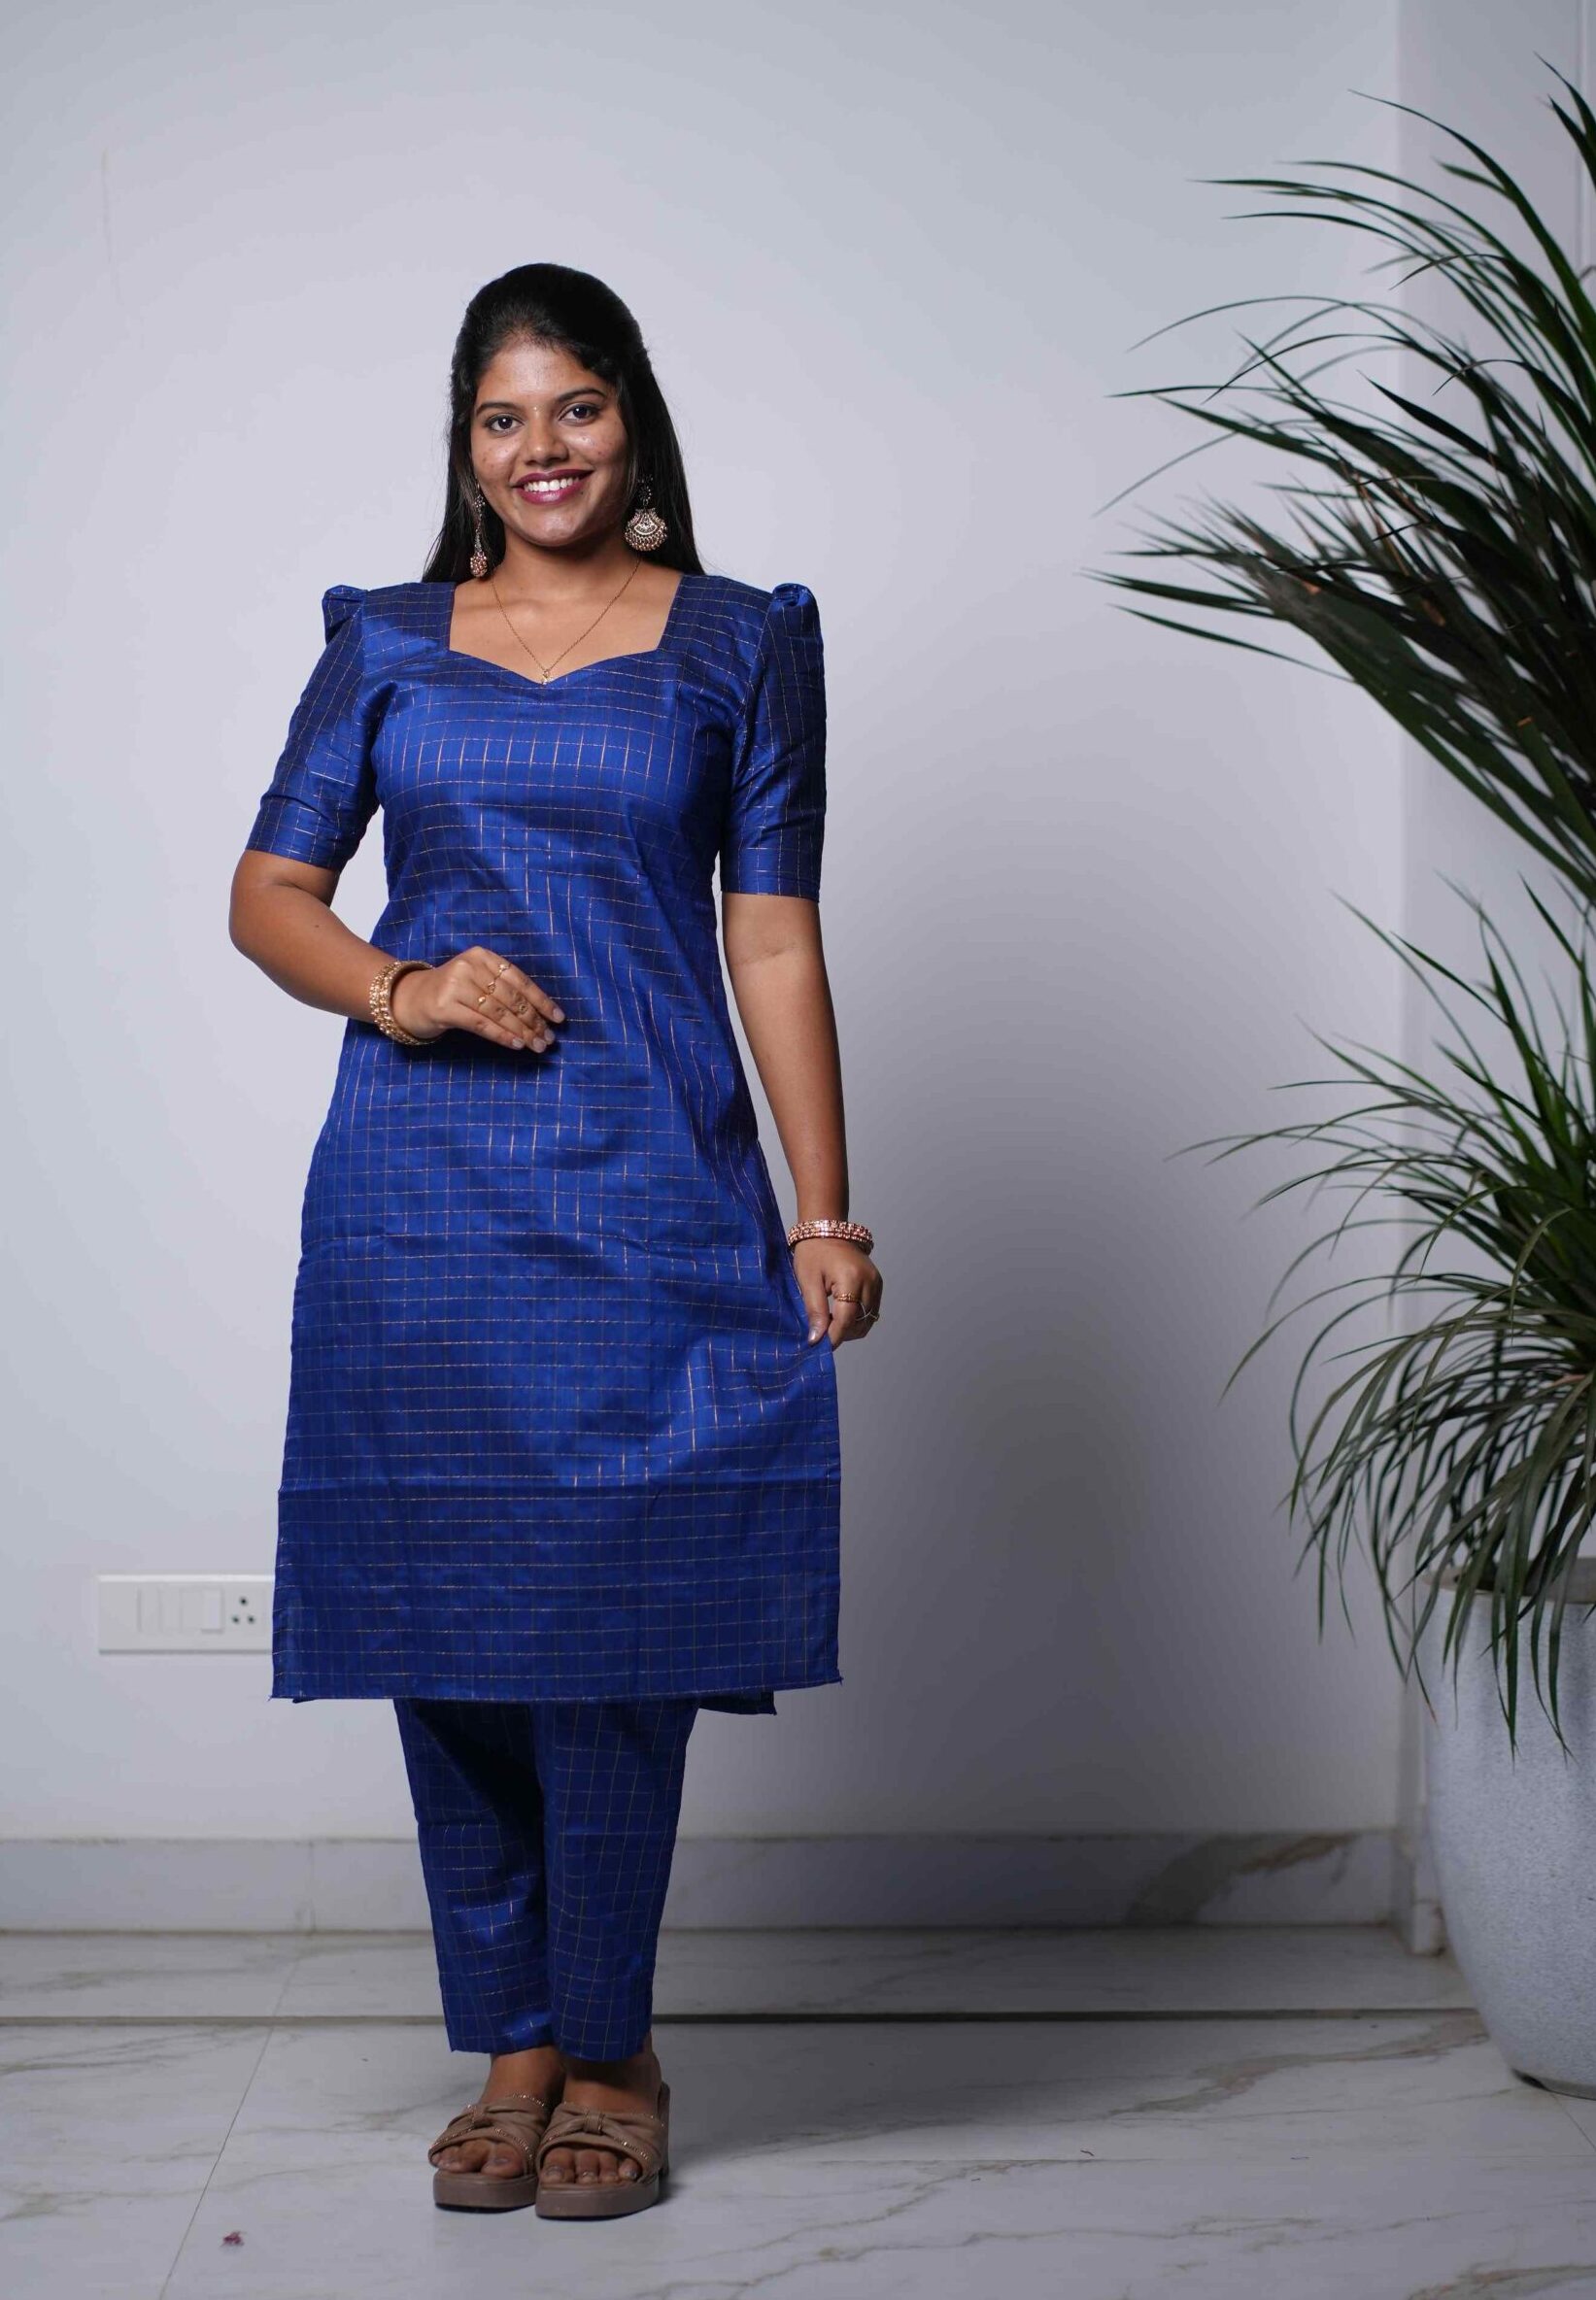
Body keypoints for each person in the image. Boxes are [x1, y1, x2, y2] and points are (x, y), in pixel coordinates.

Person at [228, 261, 882, 2221]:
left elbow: (775, 936)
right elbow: (267, 893)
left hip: (652, 1186)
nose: (541, 451)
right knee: (447, 1625)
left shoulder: (742, 641)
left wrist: (822, 1206)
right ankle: (510, 2042)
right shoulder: (386, 642)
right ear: (465, 445)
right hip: (419, 1198)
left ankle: (611, 2044)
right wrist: (403, 984)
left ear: (632, 419)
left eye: (575, 408)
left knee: (615, 1626)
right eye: (502, 419)